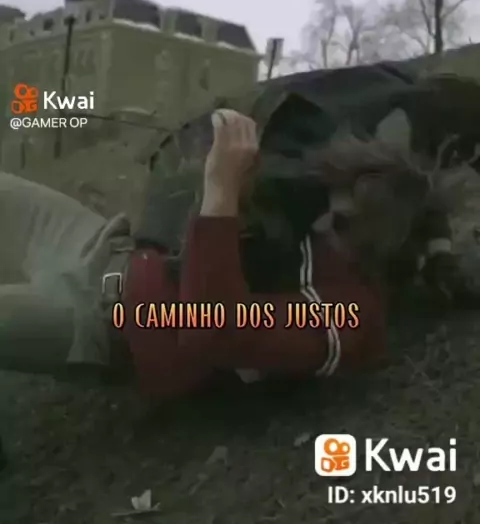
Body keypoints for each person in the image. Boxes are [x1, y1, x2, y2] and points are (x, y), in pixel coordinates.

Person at [0, 109, 467, 397]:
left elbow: (215, 330)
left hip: (98, 325)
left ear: (377, 243)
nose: (319, 218)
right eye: (328, 196)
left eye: (339, 220)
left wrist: (221, 190)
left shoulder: (349, 316)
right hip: (103, 245)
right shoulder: (309, 209)